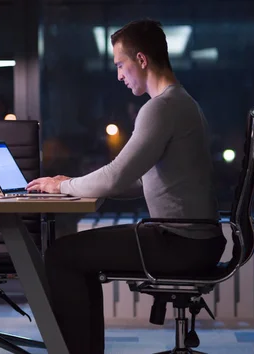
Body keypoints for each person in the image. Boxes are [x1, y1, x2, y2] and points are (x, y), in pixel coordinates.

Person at [26, 19, 227, 354]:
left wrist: (61, 187)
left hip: (180, 241)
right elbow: (137, 180)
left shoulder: (161, 108)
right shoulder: (183, 103)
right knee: (76, 257)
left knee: (62, 256)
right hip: (196, 238)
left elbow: (117, 174)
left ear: (142, 60)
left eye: (121, 64)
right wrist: (75, 185)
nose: (119, 75)